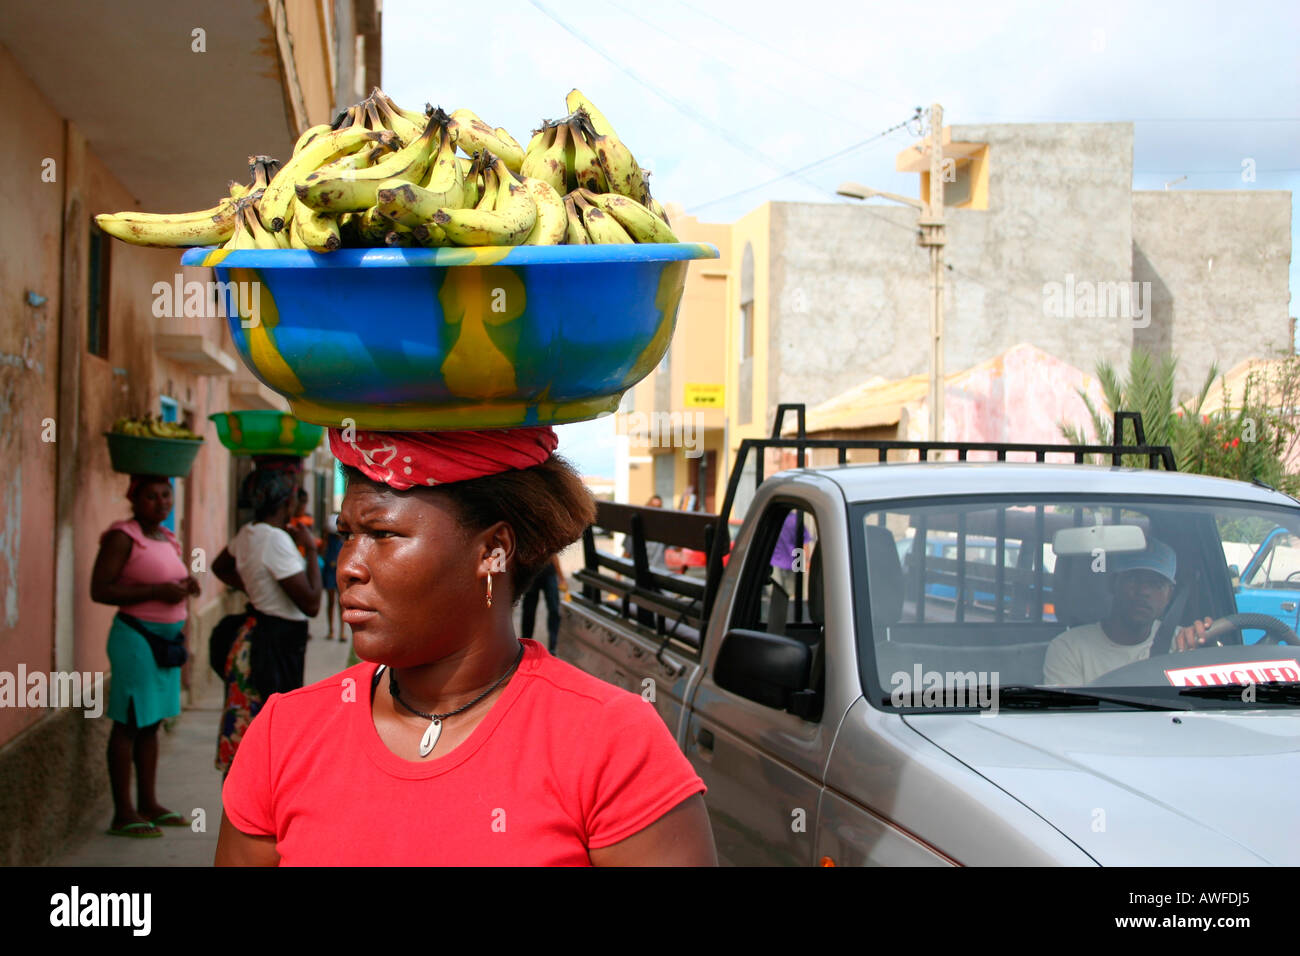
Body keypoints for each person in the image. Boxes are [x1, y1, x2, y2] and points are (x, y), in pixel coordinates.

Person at [216, 426, 716, 865]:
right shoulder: (285, 734)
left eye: (383, 533)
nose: (349, 565)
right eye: (347, 533)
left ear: (493, 552)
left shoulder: (611, 743)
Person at [90, 474, 200, 838]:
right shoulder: (124, 536)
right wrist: (156, 590)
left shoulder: (166, 538)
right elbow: (100, 589)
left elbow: (170, 583)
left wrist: (185, 588)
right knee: (129, 722)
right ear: (134, 499)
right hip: (136, 639)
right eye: (151, 496)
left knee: (151, 724)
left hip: (166, 644)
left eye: (166, 495)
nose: (161, 502)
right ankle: (123, 812)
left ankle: (149, 803)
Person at [212, 468, 322, 774]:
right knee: (268, 740)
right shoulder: (275, 540)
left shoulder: (249, 532)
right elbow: (312, 603)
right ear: (287, 501)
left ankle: (238, 813)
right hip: (273, 647)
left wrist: (256, 586)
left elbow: (219, 566)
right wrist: (311, 548)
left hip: (254, 638)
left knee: (246, 734)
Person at [1043, 539, 1216, 685]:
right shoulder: (1070, 648)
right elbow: (1071, 720)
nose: (1144, 591)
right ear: (1113, 584)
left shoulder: (1182, 643)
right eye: (1134, 579)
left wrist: (1204, 651)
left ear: (1169, 594)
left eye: (1156, 584)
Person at [521, 554, 566, 653]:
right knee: (529, 611)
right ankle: (525, 645)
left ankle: (553, 647)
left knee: (554, 609)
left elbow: (553, 553)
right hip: (532, 573)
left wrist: (561, 577)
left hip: (549, 573)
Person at [321, 512, 344, 640]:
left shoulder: (343, 537)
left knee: (341, 603)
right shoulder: (328, 538)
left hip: (339, 570)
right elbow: (323, 550)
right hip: (330, 570)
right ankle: (331, 630)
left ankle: (342, 632)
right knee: (330, 602)